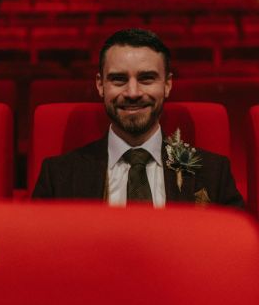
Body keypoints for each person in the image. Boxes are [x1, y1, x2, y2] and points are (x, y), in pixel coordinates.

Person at [32, 28, 244, 208]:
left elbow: (237, 249)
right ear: (100, 85)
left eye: (146, 79)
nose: (132, 92)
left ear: (167, 85)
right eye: (118, 79)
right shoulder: (58, 177)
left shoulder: (214, 173)